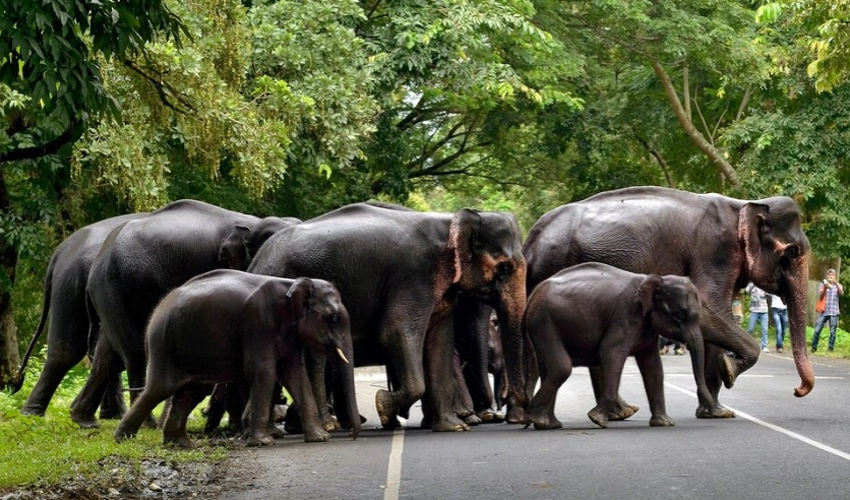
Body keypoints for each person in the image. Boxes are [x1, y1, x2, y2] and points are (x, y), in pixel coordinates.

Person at [812, 268, 844, 353]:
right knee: (817, 330)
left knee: (833, 332)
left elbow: (841, 293)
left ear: (835, 276)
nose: (830, 276)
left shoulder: (838, 285)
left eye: (832, 275)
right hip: (824, 311)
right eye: (829, 275)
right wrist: (826, 287)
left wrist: (835, 283)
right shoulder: (823, 285)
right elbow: (821, 296)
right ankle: (813, 348)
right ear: (827, 276)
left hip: (834, 311)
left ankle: (830, 349)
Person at [745, 283, 770, 353]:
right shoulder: (751, 284)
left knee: (765, 329)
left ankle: (764, 346)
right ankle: (746, 343)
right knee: (750, 329)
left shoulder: (764, 284)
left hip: (764, 310)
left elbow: (770, 293)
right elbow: (747, 291)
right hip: (754, 310)